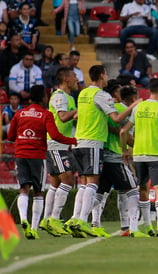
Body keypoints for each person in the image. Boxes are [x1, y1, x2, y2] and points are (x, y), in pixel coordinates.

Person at [68, 65, 138, 237]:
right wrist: (134, 106)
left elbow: (77, 115)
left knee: (87, 184)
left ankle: (76, 219)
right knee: (93, 183)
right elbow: (116, 118)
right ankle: (82, 221)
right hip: (93, 141)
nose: (107, 77)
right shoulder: (101, 95)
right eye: (106, 74)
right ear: (101, 75)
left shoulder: (83, 93)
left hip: (79, 141)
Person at [8, 85, 77, 240]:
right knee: (38, 192)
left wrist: (23, 136)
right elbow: (55, 135)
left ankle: (23, 218)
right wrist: (73, 140)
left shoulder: (19, 114)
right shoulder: (45, 115)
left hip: (20, 155)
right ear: (44, 98)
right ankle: (33, 228)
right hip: (37, 156)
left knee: (23, 189)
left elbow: (11, 136)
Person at [120, 78, 158, 237]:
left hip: (138, 155)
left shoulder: (139, 107)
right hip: (155, 154)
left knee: (141, 189)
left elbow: (123, 132)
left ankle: (137, 227)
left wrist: (124, 151)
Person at [91, 84, 141, 238]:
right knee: (132, 191)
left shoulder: (112, 109)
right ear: (133, 98)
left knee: (100, 193)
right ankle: (132, 228)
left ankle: (81, 219)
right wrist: (139, 144)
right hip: (115, 157)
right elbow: (123, 133)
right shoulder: (122, 110)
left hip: (105, 157)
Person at [39, 67, 78, 237]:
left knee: (55, 184)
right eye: (74, 76)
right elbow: (62, 117)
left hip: (60, 144)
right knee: (67, 181)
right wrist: (80, 110)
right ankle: (54, 218)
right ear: (66, 79)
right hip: (56, 144)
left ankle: (47, 219)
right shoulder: (59, 96)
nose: (77, 79)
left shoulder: (68, 97)